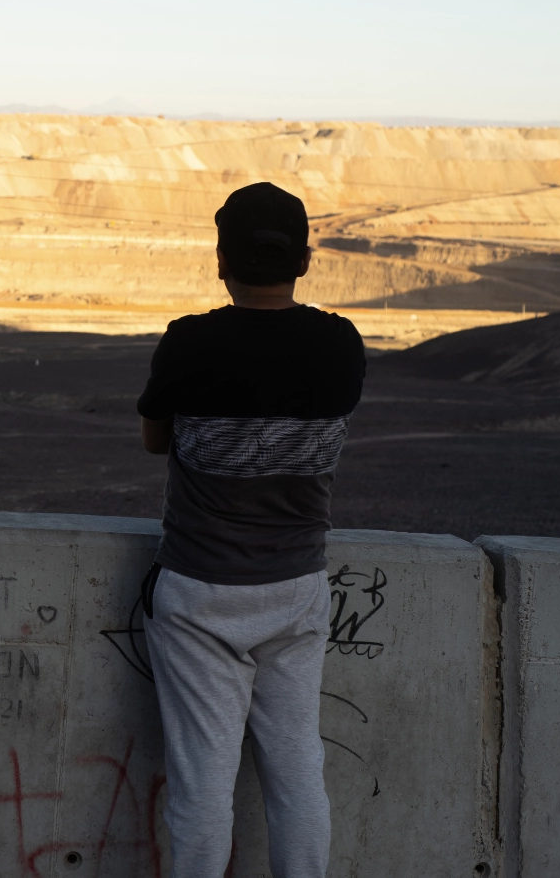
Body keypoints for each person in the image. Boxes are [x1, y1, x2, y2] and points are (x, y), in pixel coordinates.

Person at [135, 182, 366, 878]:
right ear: (303, 260)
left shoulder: (189, 342)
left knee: (202, 784)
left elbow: (155, 439)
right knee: (297, 772)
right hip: (294, 588)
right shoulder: (339, 346)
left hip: (199, 590)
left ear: (220, 259)